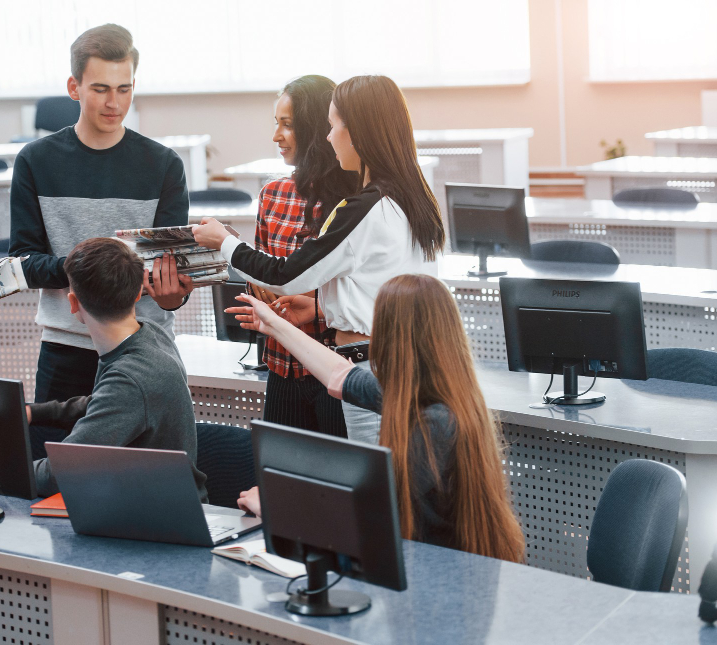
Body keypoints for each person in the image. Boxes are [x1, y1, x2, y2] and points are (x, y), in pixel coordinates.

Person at [194, 75, 445, 444]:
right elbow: (374, 288)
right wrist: (321, 306)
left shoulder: (365, 207)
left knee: (362, 475)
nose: (328, 138)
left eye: (333, 126)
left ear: (357, 132)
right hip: (393, 362)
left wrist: (225, 242)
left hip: (365, 367)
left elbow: (285, 276)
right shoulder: (411, 199)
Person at [230, 274, 526, 563]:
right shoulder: (432, 395)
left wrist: (276, 508)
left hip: (433, 573)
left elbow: (365, 514)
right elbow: (339, 375)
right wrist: (274, 325)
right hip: (433, 564)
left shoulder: (436, 422)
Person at [10, 23, 192, 456]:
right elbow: (24, 262)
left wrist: (174, 296)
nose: (115, 103)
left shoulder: (164, 164)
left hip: (143, 348)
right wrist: (95, 270)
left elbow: (170, 275)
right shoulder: (36, 161)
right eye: (101, 89)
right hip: (66, 347)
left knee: (146, 477)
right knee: (54, 476)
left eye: (124, 89)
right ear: (74, 87)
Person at [29, 238, 206, 502]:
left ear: (73, 303)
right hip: (143, 499)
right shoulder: (150, 333)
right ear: (136, 294)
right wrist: (34, 412)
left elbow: (61, 472)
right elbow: (104, 402)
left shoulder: (130, 377)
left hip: (158, 517)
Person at [250, 75, 357, 438]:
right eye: (276, 123)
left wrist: (316, 304)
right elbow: (260, 275)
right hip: (282, 366)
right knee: (282, 471)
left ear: (314, 129)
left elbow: (364, 291)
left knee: (342, 470)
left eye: (288, 125)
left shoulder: (355, 201)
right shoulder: (272, 194)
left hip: (336, 369)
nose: (276, 136)